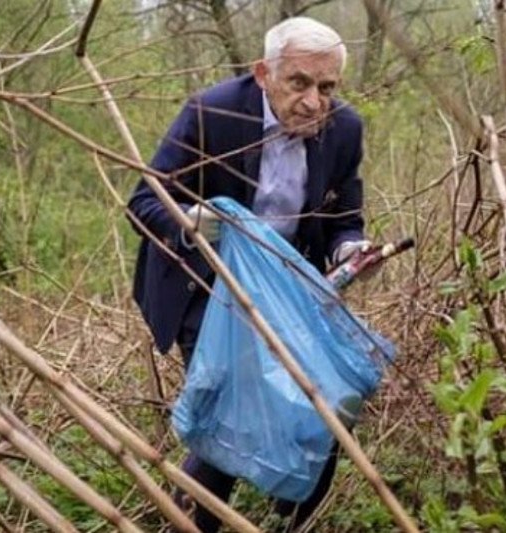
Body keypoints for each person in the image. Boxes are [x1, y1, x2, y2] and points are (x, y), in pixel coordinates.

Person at [128, 16, 372, 533]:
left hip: (286, 290)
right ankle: (190, 522)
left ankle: (296, 515)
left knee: (327, 399)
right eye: (299, 83)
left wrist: (351, 249)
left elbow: (343, 219)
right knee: (234, 408)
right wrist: (192, 223)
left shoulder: (344, 128)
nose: (313, 102)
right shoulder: (210, 111)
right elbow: (144, 201)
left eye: (327, 87)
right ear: (264, 73)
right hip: (203, 283)